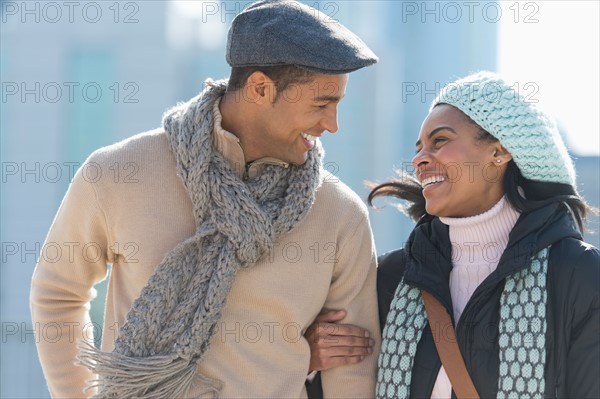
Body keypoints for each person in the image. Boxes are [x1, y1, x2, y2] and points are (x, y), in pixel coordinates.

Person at [30, 1, 381, 397]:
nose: (332, 125)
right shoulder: (119, 172)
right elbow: (58, 293)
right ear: (260, 89)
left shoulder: (340, 215)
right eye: (322, 104)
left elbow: (352, 365)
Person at [307, 71, 599, 398]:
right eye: (419, 148)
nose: (418, 159)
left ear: (499, 152)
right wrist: (309, 359)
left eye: (440, 141)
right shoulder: (392, 276)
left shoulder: (578, 273)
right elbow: (340, 385)